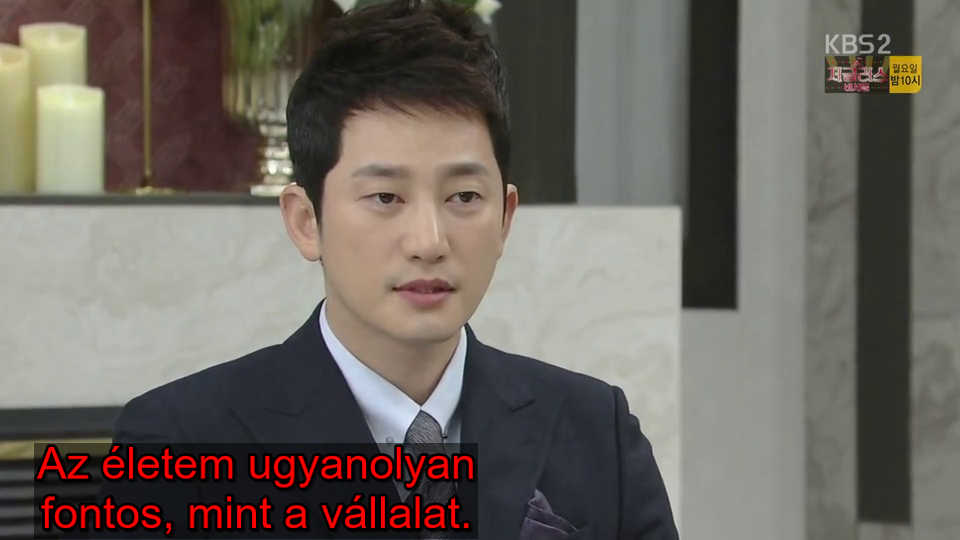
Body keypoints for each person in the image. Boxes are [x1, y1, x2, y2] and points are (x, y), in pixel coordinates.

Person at [105, 1, 678, 538]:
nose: (429, 242)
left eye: (463, 197)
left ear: (505, 218)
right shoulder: (177, 445)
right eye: (385, 197)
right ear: (306, 221)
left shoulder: (596, 432)